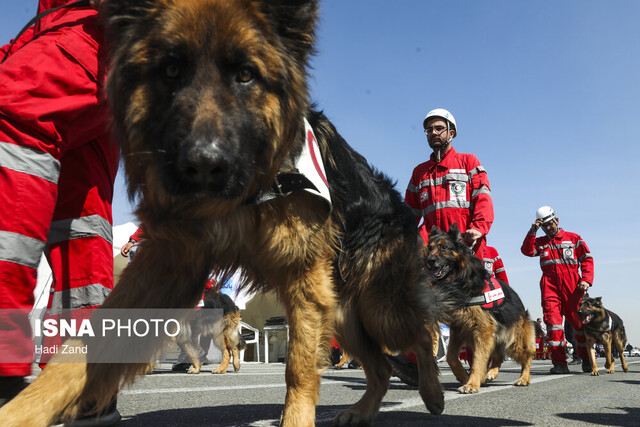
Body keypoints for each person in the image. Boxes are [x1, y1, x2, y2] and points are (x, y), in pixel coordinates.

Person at [0, 0, 120, 423]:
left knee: (10, 108)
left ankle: (3, 364)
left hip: (98, 31)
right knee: (82, 216)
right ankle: (87, 384)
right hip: (90, 35)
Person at [387, 108, 495, 385]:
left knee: (472, 313)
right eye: (428, 130)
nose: (433, 133)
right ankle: (414, 364)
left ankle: (478, 367)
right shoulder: (419, 172)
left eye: (438, 128)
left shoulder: (468, 162)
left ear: (451, 132)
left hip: (465, 250)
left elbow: (483, 198)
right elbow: (410, 212)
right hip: (433, 255)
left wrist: (479, 228)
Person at [521, 206, 594, 374]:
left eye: (550, 224)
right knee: (553, 326)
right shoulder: (540, 242)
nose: (548, 228)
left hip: (573, 287)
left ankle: (586, 359)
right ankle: (560, 363)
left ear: (557, 221)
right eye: (544, 226)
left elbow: (587, 259)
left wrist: (586, 280)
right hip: (549, 287)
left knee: (579, 325)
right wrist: (532, 231)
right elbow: (526, 251)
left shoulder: (574, 238)